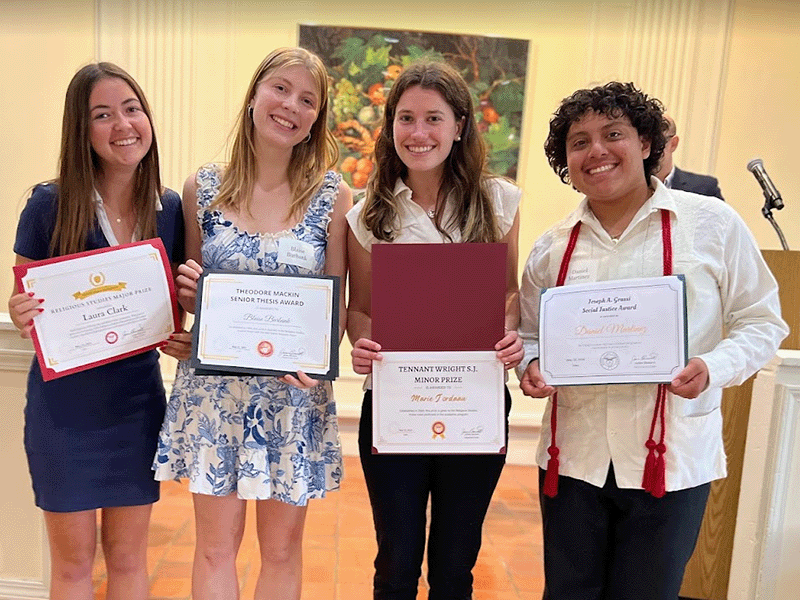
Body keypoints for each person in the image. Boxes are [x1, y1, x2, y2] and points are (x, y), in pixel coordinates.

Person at [517, 81, 788, 600]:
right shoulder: (551, 247)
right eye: (579, 141)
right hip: (574, 459)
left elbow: (762, 320)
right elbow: (530, 333)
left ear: (646, 143)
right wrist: (531, 364)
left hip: (673, 457)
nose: (596, 150)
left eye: (612, 133)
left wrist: (713, 366)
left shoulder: (711, 224)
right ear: (566, 161)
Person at [152, 47, 351, 600]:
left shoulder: (335, 198)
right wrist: (189, 300)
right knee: (215, 548)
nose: (291, 105)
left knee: (282, 550)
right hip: (214, 395)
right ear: (255, 96)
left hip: (292, 397)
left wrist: (318, 358)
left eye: (307, 100)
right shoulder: (203, 189)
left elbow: (334, 308)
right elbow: (197, 298)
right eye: (280, 89)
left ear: (316, 119)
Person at [7, 62, 186, 600]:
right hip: (64, 411)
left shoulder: (171, 207)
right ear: (80, 131)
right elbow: (24, 299)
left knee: (130, 563)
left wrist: (185, 326)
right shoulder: (49, 204)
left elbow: (173, 308)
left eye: (132, 109)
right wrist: (19, 312)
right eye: (102, 115)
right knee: (73, 568)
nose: (123, 124)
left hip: (135, 403)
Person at [347, 61, 524, 600]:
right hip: (398, 404)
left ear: (460, 125)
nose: (418, 133)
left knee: (455, 563)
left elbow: (509, 292)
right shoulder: (366, 214)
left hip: (474, 401)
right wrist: (361, 342)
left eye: (433, 118)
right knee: (396, 561)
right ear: (390, 126)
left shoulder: (500, 201)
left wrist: (511, 332)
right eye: (405, 118)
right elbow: (360, 310)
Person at [655, 113, 724, 200]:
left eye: (657, 143)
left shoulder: (704, 189)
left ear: (673, 144)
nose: (648, 149)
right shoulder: (634, 185)